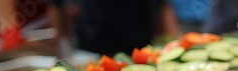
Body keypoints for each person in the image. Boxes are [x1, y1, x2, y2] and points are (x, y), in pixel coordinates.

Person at [47, 0, 181, 57]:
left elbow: (163, 5)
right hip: (94, 48)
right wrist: (62, 40)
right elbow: (56, 4)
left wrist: (174, 41)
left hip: (141, 48)